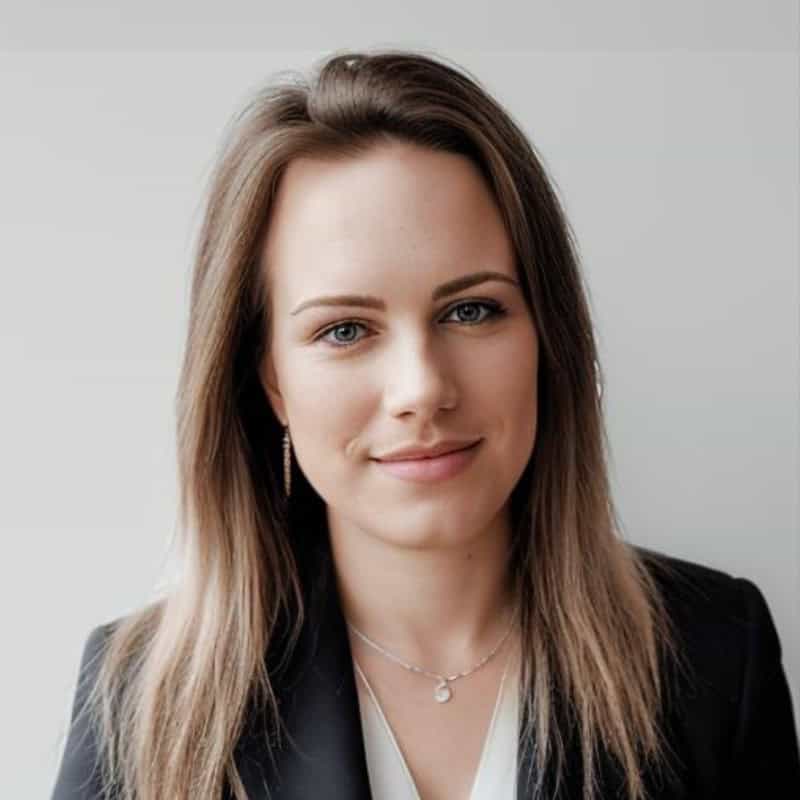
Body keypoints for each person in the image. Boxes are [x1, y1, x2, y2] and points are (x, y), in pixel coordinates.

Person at [50, 48, 799, 800]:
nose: (422, 389)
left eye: (471, 311)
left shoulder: (715, 655)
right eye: (345, 330)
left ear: (548, 337)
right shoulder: (141, 699)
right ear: (269, 377)